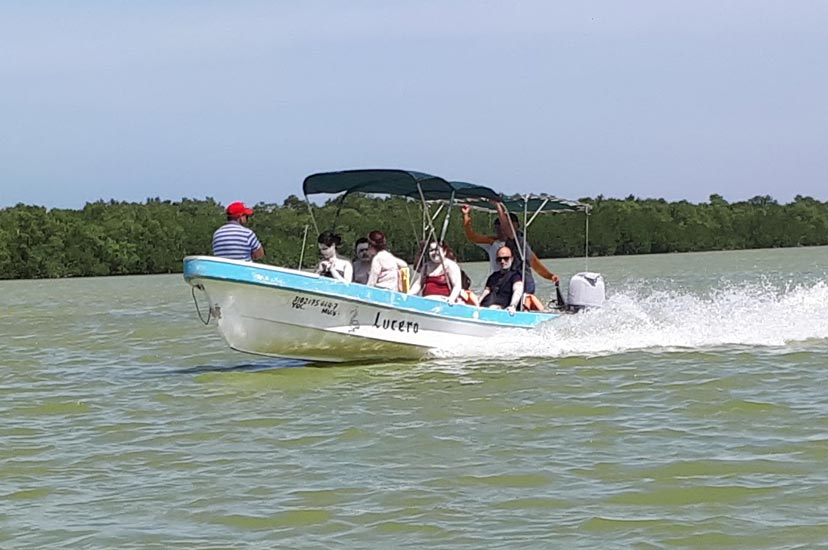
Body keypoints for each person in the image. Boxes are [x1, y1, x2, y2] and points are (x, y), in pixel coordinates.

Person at [460, 203, 559, 295]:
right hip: (500, 281)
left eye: (502, 227)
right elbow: (472, 236)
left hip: (519, 281)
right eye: (497, 229)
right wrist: (466, 216)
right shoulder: (492, 242)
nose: (501, 231)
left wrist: (550, 276)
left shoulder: (520, 243)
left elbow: (536, 264)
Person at [479, 245, 524, 315]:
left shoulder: (516, 276)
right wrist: (477, 304)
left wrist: (513, 306)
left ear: (511, 259)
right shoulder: (493, 277)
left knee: (492, 307)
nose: (502, 261)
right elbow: (486, 292)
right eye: (499, 259)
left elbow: (518, 290)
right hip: (485, 308)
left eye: (506, 258)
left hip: (502, 309)